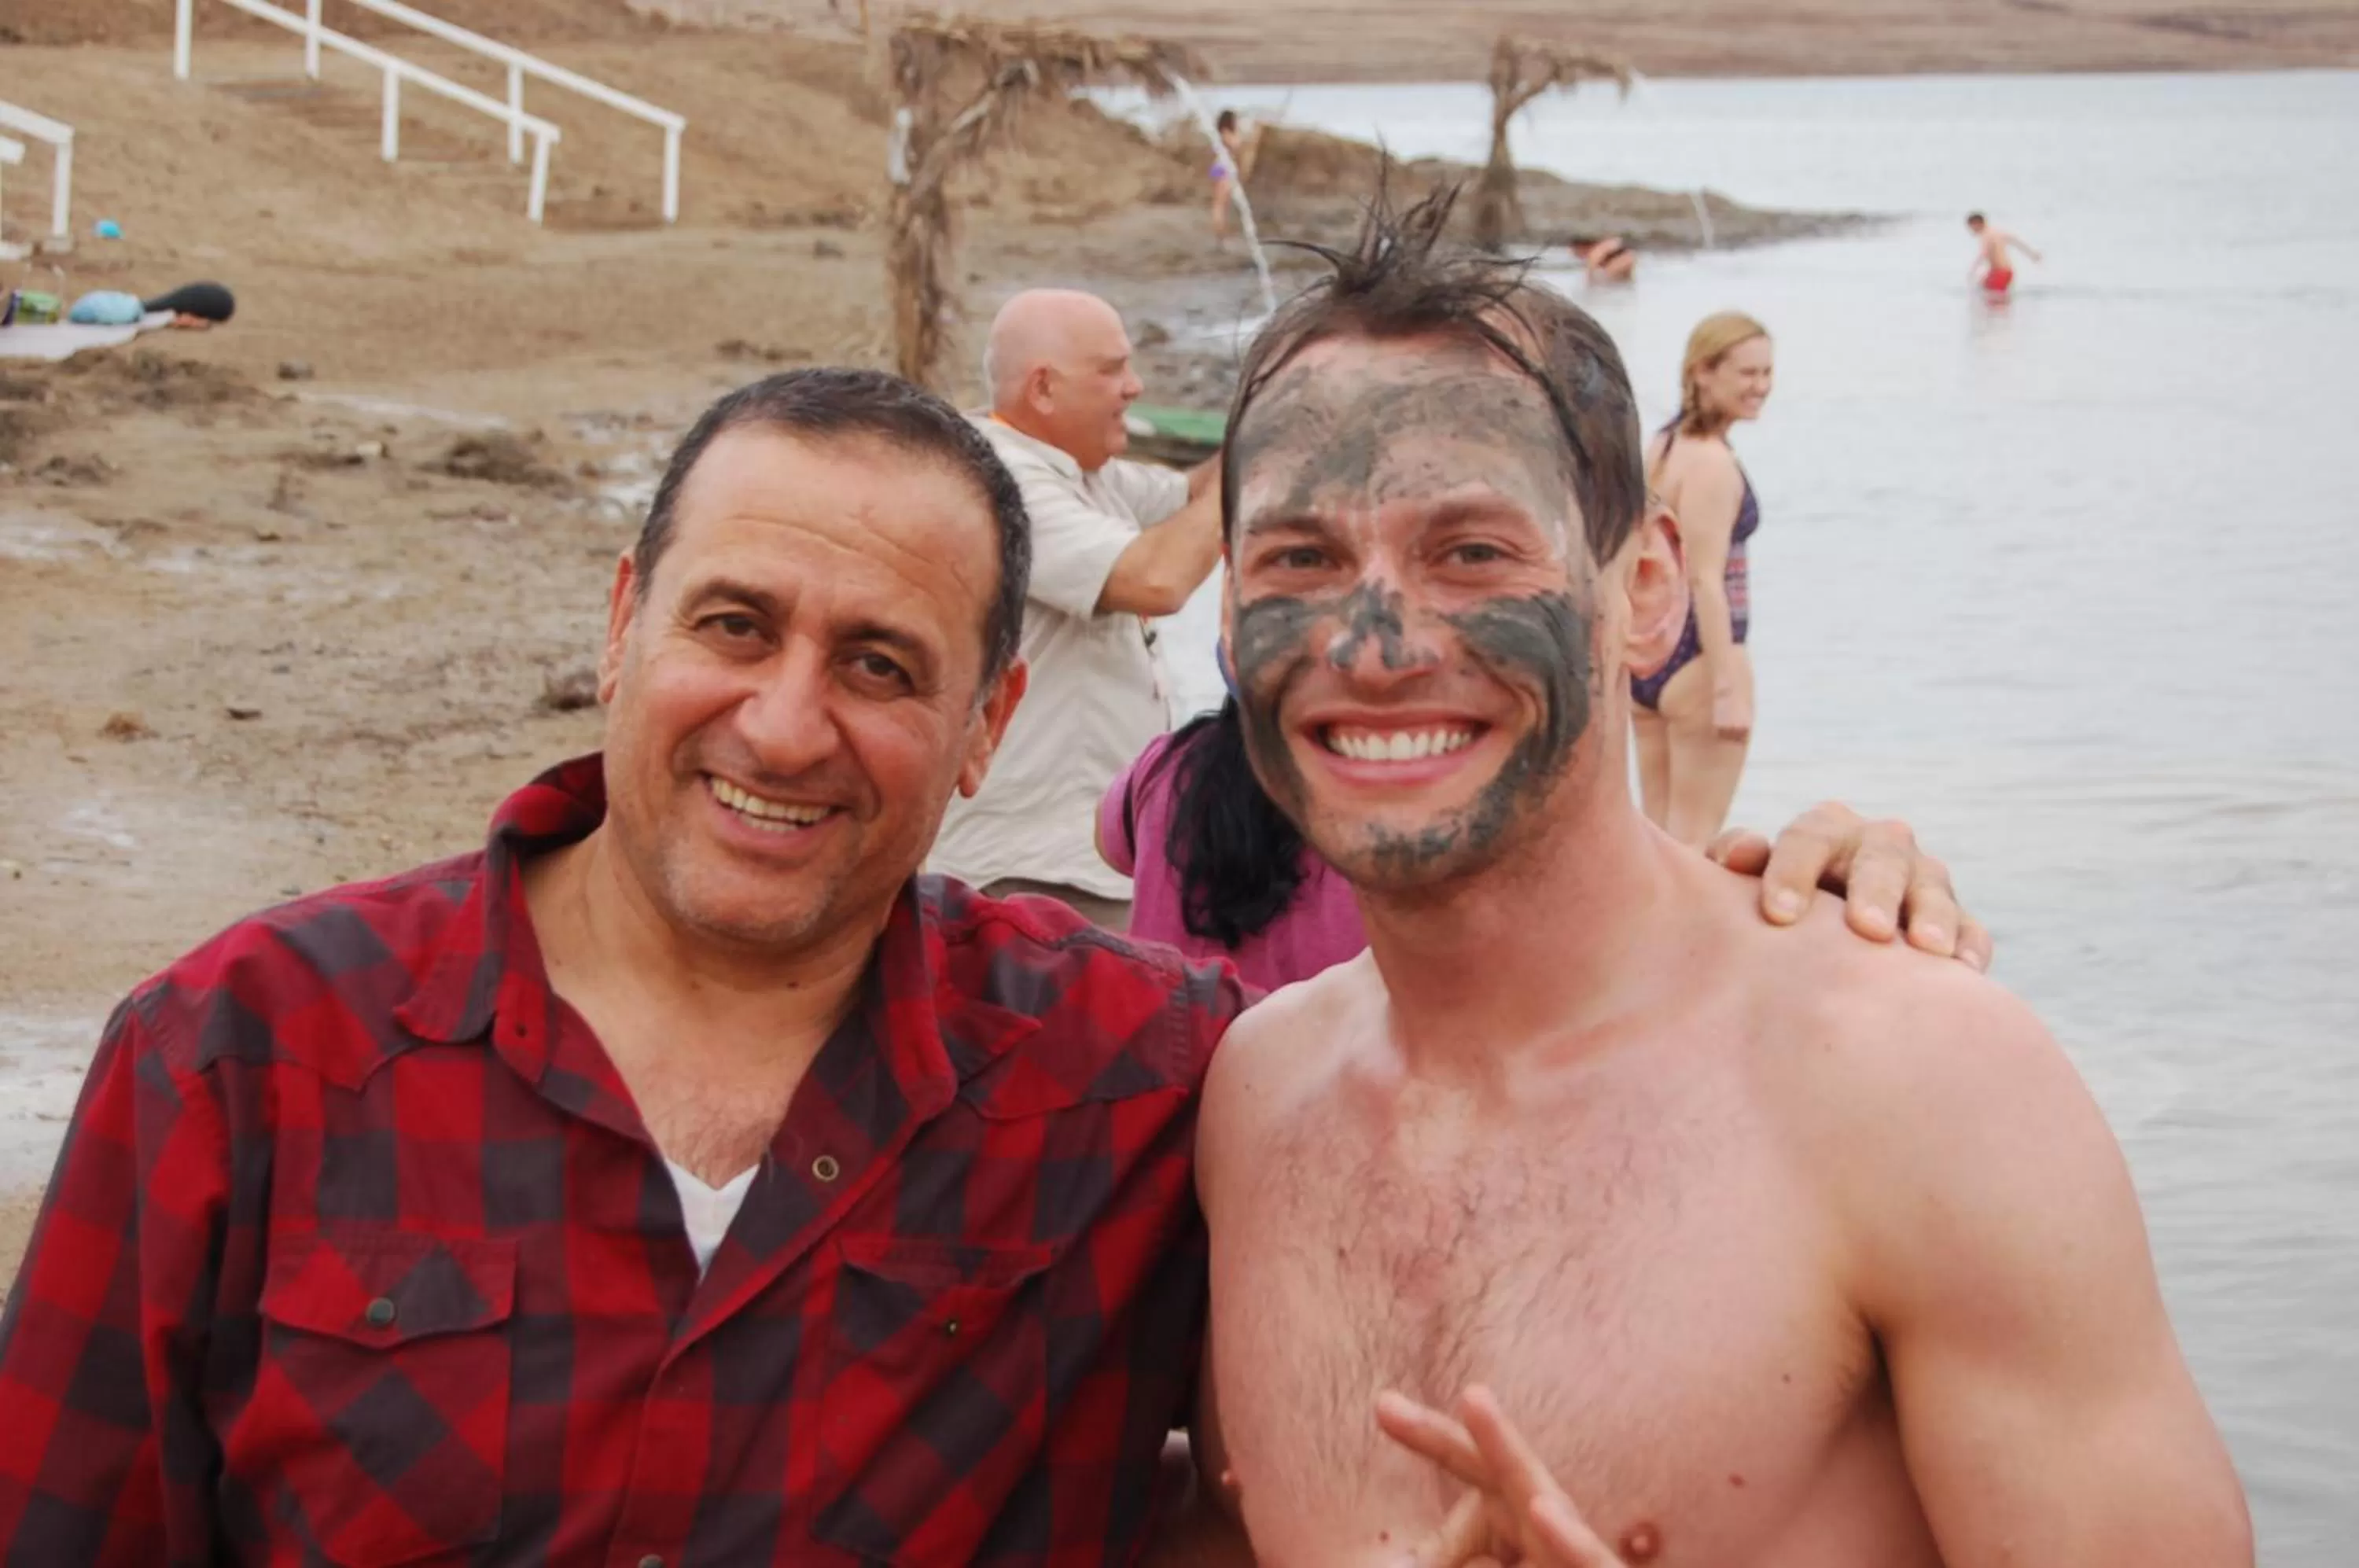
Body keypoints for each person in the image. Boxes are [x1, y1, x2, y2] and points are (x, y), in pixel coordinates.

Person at [0, 360, 1982, 1567]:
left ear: (985, 725)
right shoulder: (244, 1054)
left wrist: (1786, 914)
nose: (783, 723)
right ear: (617, 624)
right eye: (732, 624)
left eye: (880, 667)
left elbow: (1504, 1068)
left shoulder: (1136, 1077)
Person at [1190, 190, 2250, 1566]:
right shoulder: (1252, 1094)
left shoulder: (1906, 1075)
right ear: (1227, 614)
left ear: (1641, 590)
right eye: (1301, 558)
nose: (1377, 640)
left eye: (1471, 551)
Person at [930, 288, 1224, 929]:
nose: (1135, 386)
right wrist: (1257, 478)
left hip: (1077, 863)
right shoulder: (998, 481)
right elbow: (1159, 580)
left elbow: (1192, 498)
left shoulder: (1084, 475)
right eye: (1113, 369)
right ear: (1043, 389)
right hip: (1032, 870)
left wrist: (1264, 430)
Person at [1099, 694, 1365, 992]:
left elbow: (1110, 845)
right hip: (1322, 1035)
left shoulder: (1165, 765)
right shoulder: (1384, 795)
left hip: (1164, 1029)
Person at [1631, 311, 1772, 846]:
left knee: (1657, 845)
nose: (1761, 386)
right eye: (1747, 373)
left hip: (1650, 660)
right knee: (1693, 849)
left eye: (1766, 373)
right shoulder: (1713, 464)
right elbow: (1706, 581)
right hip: (1700, 660)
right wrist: (1727, 685)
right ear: (1703, 372)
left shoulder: (1663, 446)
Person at [1210, 110, 1264, 242]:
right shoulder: (1227, 132)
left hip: (1219, 167)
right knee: (1221, 205)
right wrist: (1255, 134)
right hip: (1224, 168)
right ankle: (1220, 237)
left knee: (1221, 204)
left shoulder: (1221, 133)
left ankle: (1220, 236)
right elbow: (1237, 145)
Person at [1966, 211, 2041, 297]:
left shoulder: (1985, 235)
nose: (1971, 231)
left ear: (1976, 224)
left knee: (1992, 300)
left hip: (1999, 273)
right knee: (1983, 288)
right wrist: (2032, 255)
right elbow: (2016, 241)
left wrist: (1972, 270)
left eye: (1971, 227)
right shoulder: (1998, 232)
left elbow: (1984, 254)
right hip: (2008, 272)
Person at [1567, 234, 1636, 284]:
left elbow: (1590, 273)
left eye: (1576, 252)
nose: (1577, 256)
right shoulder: (1602, 246)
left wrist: (1590, 288)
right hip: (1629, 255)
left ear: (1581, 247)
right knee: (1624, 282)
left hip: (1621, 257)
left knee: (1609, 280)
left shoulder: (1594, 252)